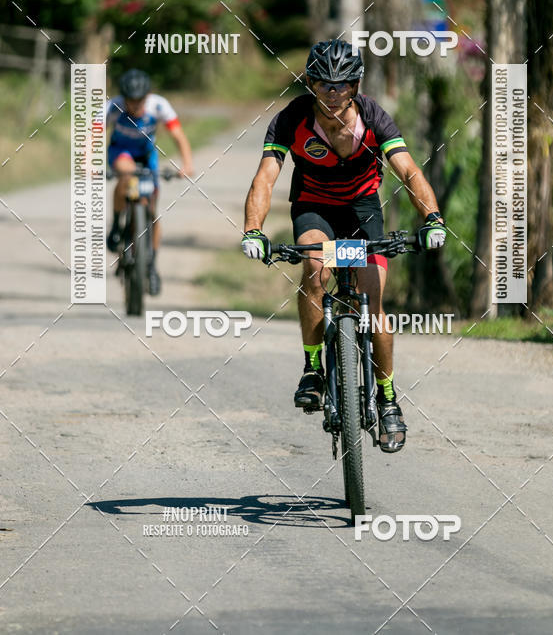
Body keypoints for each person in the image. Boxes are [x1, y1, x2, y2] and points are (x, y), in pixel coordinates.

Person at [241, 39, 446, 453]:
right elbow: (265, 178)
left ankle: (388, 398)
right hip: (314, 207)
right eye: (323, 85)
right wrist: (253, 229)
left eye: (342, 85)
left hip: (363, 210)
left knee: (373, 299)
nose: (332, 94)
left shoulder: (374, 118)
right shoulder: (290, 120)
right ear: (311, 84)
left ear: (355, 86)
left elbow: (407, 171)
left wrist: (432, 218)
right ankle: (313, 368)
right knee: (315, 268)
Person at [105, 69, 194, 295]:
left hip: (147, 157)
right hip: (121, 152)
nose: (135, 106)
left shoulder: (159, 105)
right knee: (126, 173)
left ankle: (151, 266)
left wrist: (187, 164)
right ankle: (116, 225)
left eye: (139, 101)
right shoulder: (112, 107)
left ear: (147, 96)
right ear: (124, 98)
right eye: (130, 101)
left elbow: (178, 135)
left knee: (151, 211)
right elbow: (92, 134)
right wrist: (87, 162)